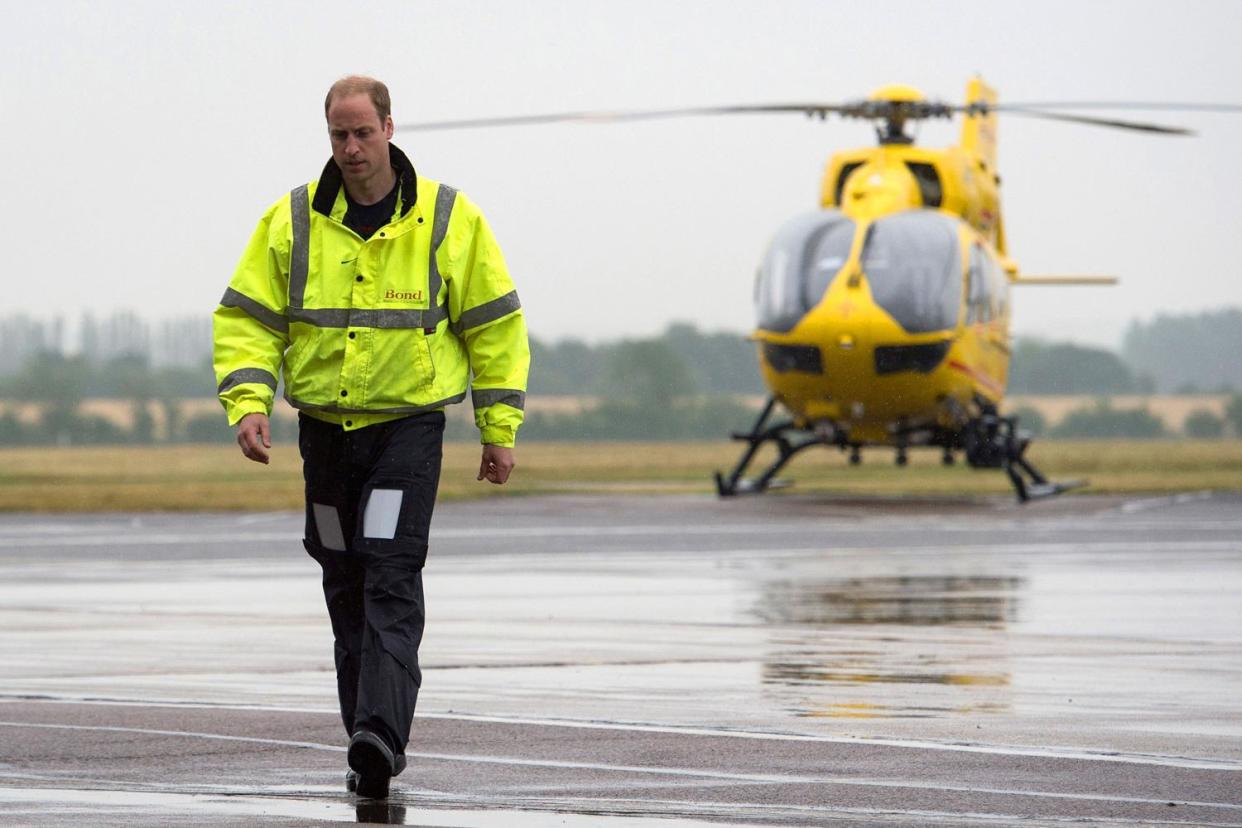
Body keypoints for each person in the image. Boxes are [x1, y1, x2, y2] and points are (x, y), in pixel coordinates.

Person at [212, 75, 529, 799]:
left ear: (390, 128)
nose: (351, 148)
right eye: (338, 135)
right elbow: (247, 319)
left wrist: (498, 428)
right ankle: (364, 739)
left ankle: (380, 735)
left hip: (405, 435)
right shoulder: (291, 221)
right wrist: (248, 402)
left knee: (389, 570)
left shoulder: (448, 219)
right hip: (323, 438)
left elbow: (495, 325)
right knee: (343, 576)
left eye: (362, 132)